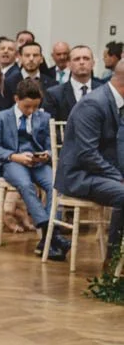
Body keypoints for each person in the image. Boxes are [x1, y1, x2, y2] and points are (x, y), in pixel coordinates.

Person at [0, 78, 66, 260]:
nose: (31, 111)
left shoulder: (44, 117)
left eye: (35, 107)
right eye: (27, 107)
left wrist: (45, 154)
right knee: (25, 185)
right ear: (17, 99)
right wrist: (15, 156)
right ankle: (50, 233)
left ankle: (48, 237)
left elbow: (49, 145)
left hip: (37, 162)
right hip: (13, 161)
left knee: (55, 185)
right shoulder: (3, 117)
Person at [57, 61, 124, 254]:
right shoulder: (93, 104)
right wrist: (118, 177)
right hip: (80, 175)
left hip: (102, 172)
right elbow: (88, 154)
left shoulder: (117, 101)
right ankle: (112, 259)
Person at [44, 45, 109, 121]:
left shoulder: (105, 91)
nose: (82, 62)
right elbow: (50, 126)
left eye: (86, 59)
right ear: (69, 64)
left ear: (93, 63)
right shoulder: (54, 94)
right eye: (77, 59)